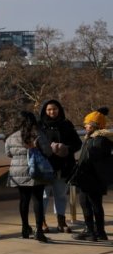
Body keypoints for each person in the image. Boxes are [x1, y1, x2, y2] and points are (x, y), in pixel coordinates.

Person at [5, 111, 51, 243]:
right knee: (38, 200)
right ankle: (39, 231)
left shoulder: (11, 136)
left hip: (18, 171)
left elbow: (8, 153)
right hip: (36, 170)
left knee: (23, 200)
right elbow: (48, 151)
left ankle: (25, 228)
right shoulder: (38, 134)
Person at [38, 100, 82, 233]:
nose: (52, 112)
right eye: (49, 109)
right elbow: (33, 144)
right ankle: (42, 221)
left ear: (59, 110)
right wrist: (48, 148)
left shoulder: (66, 124)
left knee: (61, 194)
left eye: (55, 109)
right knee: (44, 194)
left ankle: (61, 221)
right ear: (44, 111)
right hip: (45, 166)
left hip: (63, 166)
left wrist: (66, 148)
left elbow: (77, 143)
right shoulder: (40, 125)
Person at [72, 108, 112, 241]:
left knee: (89, 203)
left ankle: (92, 231)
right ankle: (98, 231)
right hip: (92, 178)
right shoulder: (93, 139)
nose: (85, 126)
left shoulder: (98, 140)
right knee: (92, 203)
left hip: (91, 178)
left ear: (95, 125)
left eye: (88, 124)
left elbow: (93, 160)